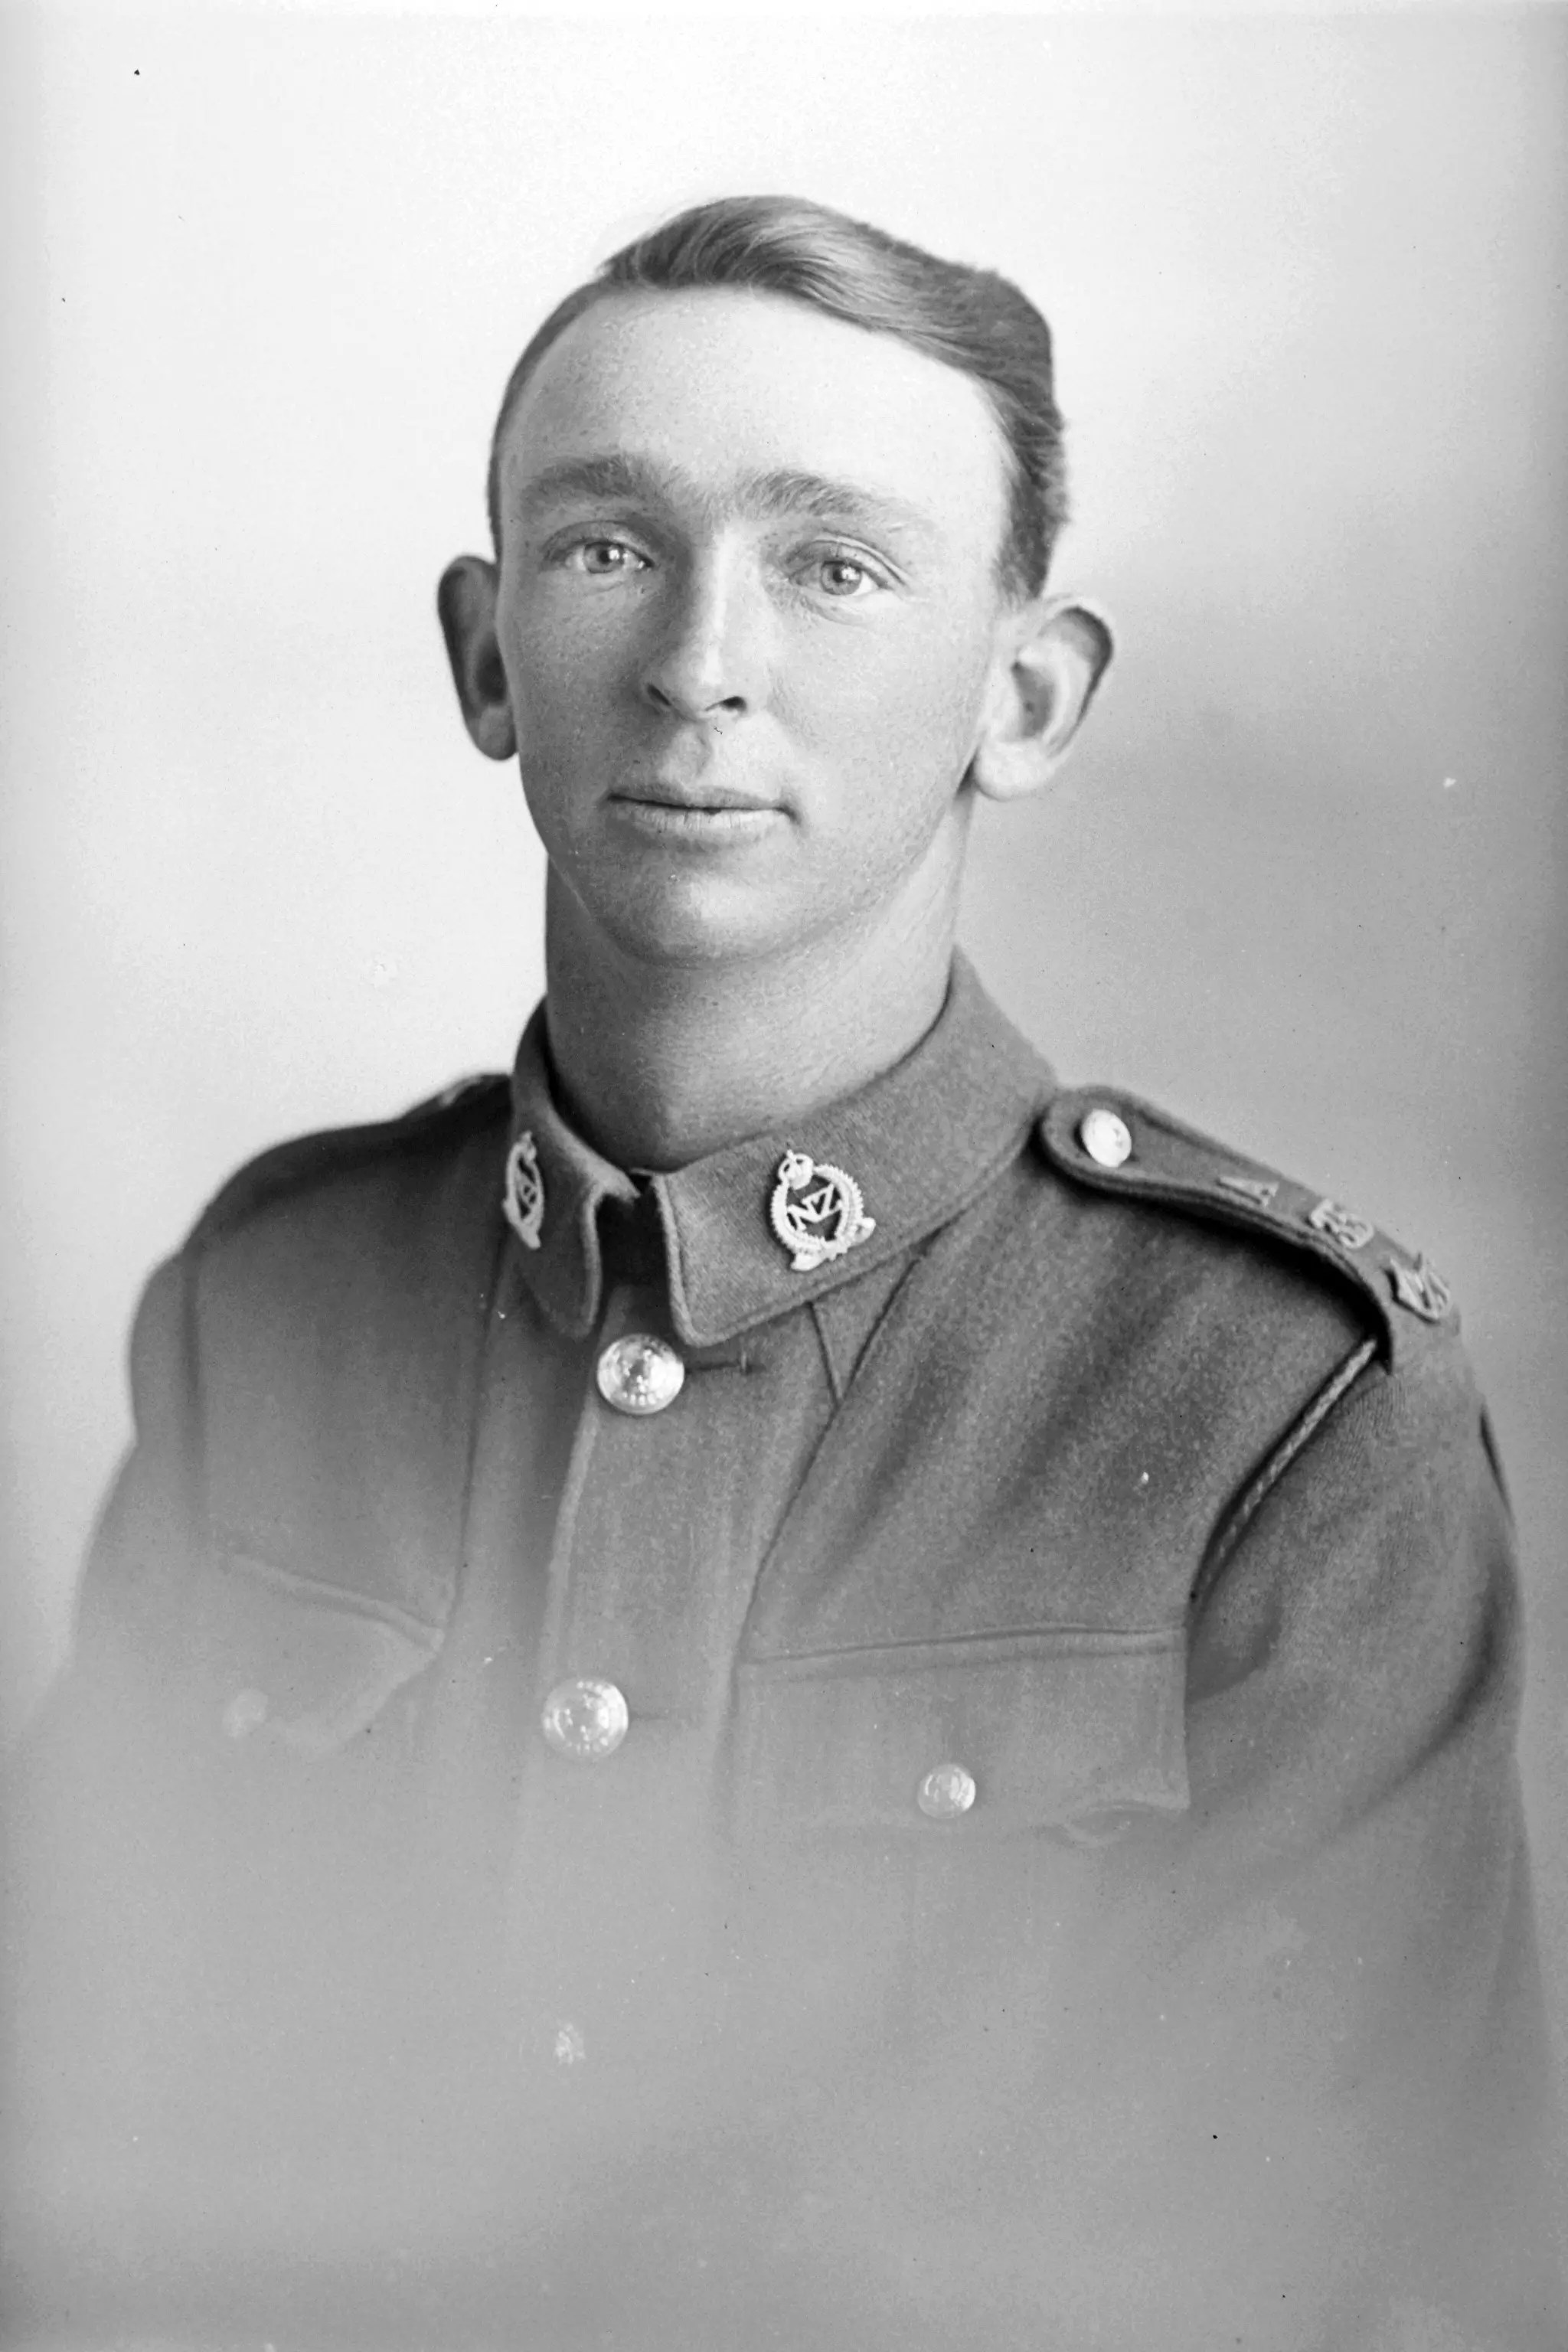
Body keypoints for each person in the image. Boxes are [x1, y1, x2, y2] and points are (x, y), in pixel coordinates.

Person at [2, 194, 1560, 2351]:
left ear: (1024, 698)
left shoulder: (1277, 1409)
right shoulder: (268, 1307)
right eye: (607, 548)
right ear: (482, 652)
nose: (699, 660)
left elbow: (1378, 2283)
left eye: (831, 563)